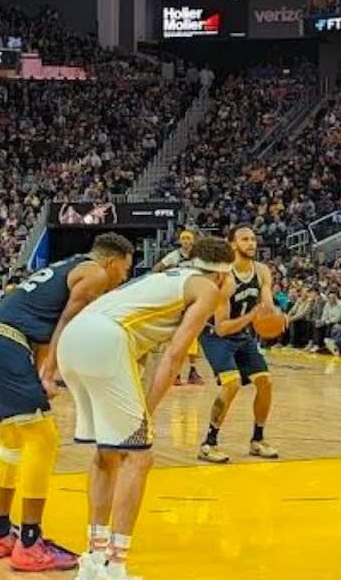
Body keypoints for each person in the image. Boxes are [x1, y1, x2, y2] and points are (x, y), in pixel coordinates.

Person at [56, 235, 232, 580]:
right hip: (106, 338)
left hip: (74, 339)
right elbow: (174, 355)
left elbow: (141, 344)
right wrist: (147, 410)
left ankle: (93, 558)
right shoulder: (208, 289)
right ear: (222, 276)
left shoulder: (163, 277)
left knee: (108, 451)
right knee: (139, 456)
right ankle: (116, 566)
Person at [0, 233, 135, 572]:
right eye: (125, 269)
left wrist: (43, 373)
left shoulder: (66, 267)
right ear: (112, 261)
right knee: (43, 439)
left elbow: (44, 332)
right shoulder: (95, 274)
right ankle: (30, 543)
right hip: (7, 346)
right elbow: (66, 323)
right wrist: (50, 373)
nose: (124, 277)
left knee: (13, 442)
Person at [197, 225, 280, 463]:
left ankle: (258, 440)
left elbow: (266, 305)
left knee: (265, 382)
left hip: (242, 333)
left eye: (253, 239)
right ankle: (208, 444)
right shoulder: (224, 277)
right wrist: (252, 316)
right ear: (232, 244)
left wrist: (273, 317)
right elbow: (221, 327)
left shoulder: (262, 271)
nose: (251, 243)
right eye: (245, 239)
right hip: (215, 335)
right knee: (231, 383)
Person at [154, 228, 205, 385]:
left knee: (193, 334)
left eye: (188, 238)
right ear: (180, 241)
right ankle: (175, 373)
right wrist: (167, 277)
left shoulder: (199, 257)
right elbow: (156, 269)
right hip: (178, 297)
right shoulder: (174, 256)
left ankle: (192, 371)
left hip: (194, 297)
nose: (186, 241)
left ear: (193, 240)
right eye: (183, 238)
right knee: (177, 334)